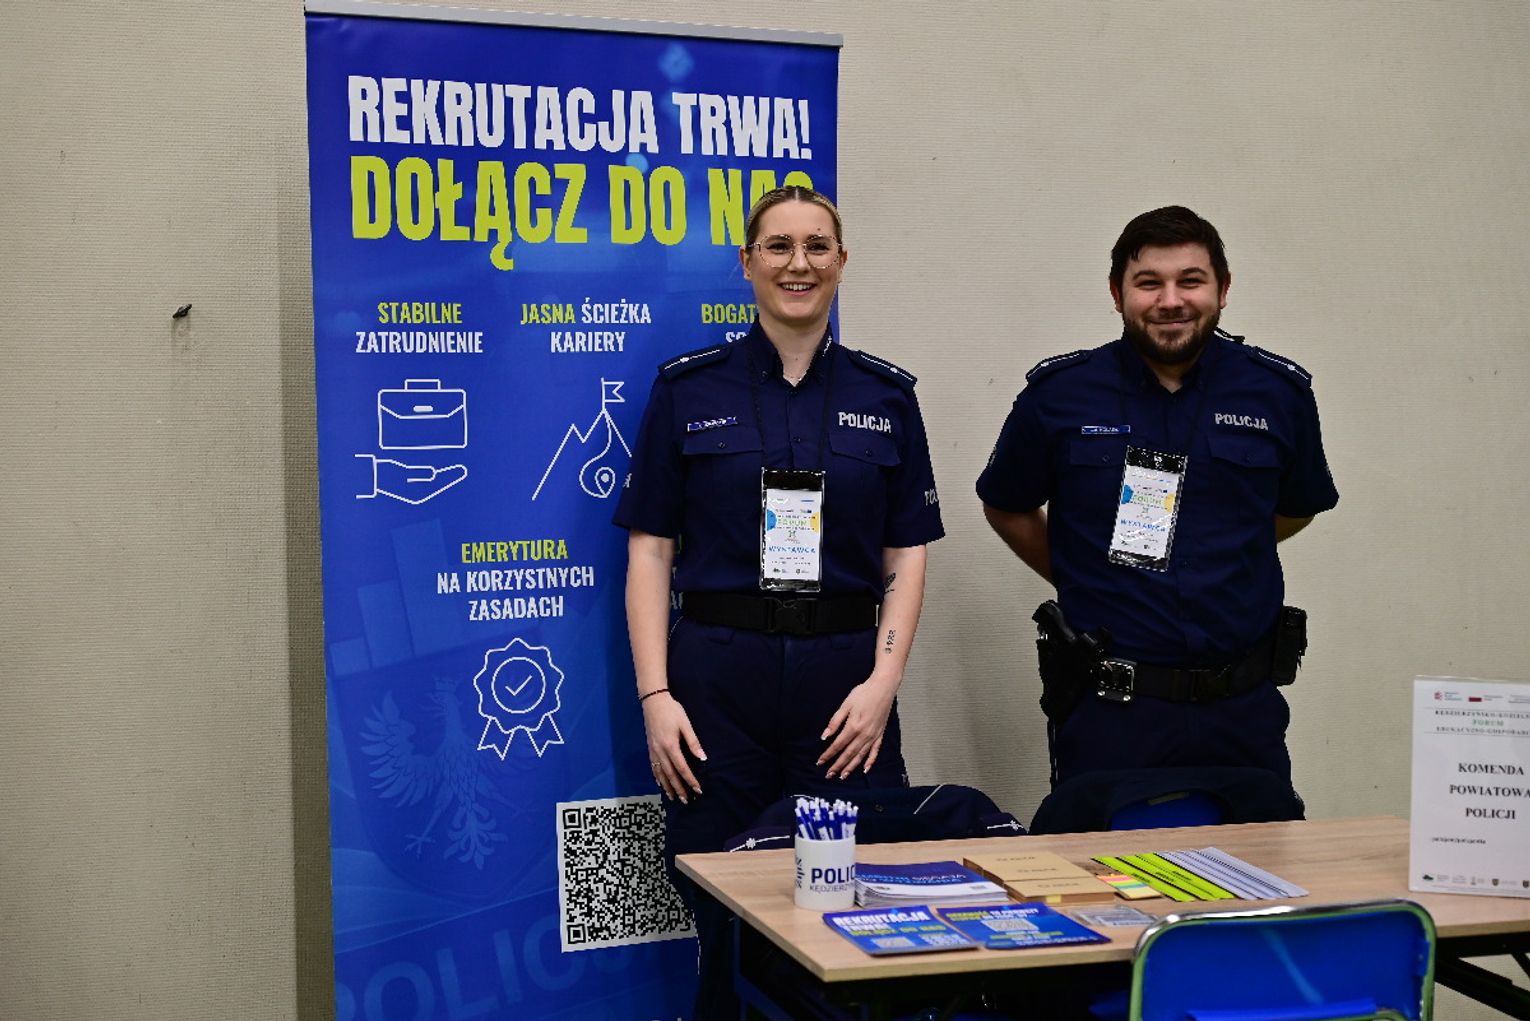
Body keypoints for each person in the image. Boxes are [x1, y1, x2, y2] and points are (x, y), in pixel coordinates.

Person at [614, 185, 944, 1016]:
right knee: (721, 901)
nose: (799, 263)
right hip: (715, 687)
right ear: (748, 262)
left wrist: (883, 685)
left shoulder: (887, 397)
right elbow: (650, 549)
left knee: (856, 900)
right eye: (779, 246)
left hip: (844, 688)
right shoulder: (688, 390)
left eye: (817, 246)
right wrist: (655, 696)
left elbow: (907, 550)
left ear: (842, 261)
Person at [977, 205, 1338, 790]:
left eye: (1190, 281)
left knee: (1263, 849)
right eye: (1149, 283)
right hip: (1112, 712)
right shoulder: (1060, 396)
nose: (1171, 301)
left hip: (1242, 709)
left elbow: (1298, 506)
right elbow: (1007, 503)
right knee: (1104, 851)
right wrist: (1084, 576)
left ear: (1223, 289)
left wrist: (1227, 554)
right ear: (1117, 294)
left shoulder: (1278, 393)